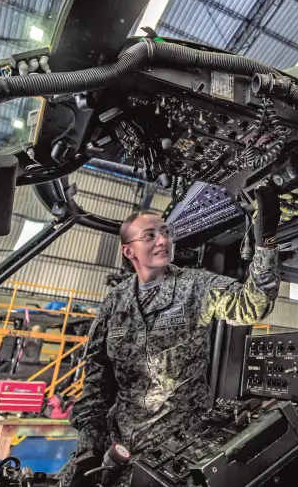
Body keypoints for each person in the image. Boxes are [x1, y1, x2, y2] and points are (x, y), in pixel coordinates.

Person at [59, 186, 281, 487]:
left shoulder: (195, 286)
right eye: (149, 236)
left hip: (179, 449)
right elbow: (97, 376)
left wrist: (265, 244)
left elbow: (251, 306)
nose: (162, 240)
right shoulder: (115, 300)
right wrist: (88, 448)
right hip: (116, 450)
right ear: (129, 251)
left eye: (165, 233)